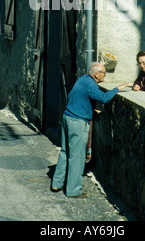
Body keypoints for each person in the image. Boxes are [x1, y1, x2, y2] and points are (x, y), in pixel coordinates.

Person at [51, 62, 131, 198]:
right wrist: (118, 88)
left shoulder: (82, 79)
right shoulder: (91, 84)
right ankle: (73, 191)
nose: (105, 75)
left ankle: (57, 183)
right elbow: (103, 98)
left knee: (65, 152)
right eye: (104, 72)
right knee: (77, 157)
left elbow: (71, 96)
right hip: (78, 122)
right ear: (96, 74)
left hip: (67, 117)